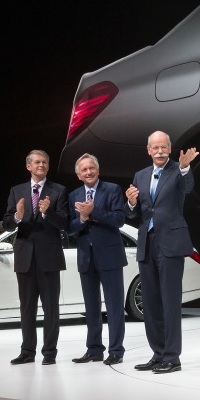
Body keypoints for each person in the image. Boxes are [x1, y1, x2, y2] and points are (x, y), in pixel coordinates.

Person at [124, 131, 199, 374]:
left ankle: (172, 357)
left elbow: (188, 188)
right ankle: (158, 354)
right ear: (148, 150)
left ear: (169, 148)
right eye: (155, 147)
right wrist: (131, 203)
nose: (159, 151)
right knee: (151, 303)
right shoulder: (140, 175)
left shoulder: (178, 169)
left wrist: (185, 168)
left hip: (171, 243)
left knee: (170, 302)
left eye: (163, 147)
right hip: (147, 243)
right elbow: (134, 213)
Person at [3, 150, 69, 365]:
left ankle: (49, 353)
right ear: (28, 166)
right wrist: (17, 216)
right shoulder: (17, 191)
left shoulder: (59, 191)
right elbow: (7, 224)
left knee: (51, 308)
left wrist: (48, 213)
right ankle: (27, 352)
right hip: (25, 258)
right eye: (37, 162)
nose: (41, 165)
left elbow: (64, 224)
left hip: (49, 258)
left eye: (45, 162)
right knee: (27, 308)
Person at [67, 153, 129, 365]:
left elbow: (119, 219)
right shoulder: (74, 195)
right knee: (91, 307)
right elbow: (70, 228)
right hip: (86, 258)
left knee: (114, 306)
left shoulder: (112, 190)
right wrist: (82, 219)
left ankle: (116, 351)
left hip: (110, 256)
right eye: (84, 170)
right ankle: (94, 349)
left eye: (91, 168)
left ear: (98, 170)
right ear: (78, 175)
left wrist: (94, 212)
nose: (88, 172)